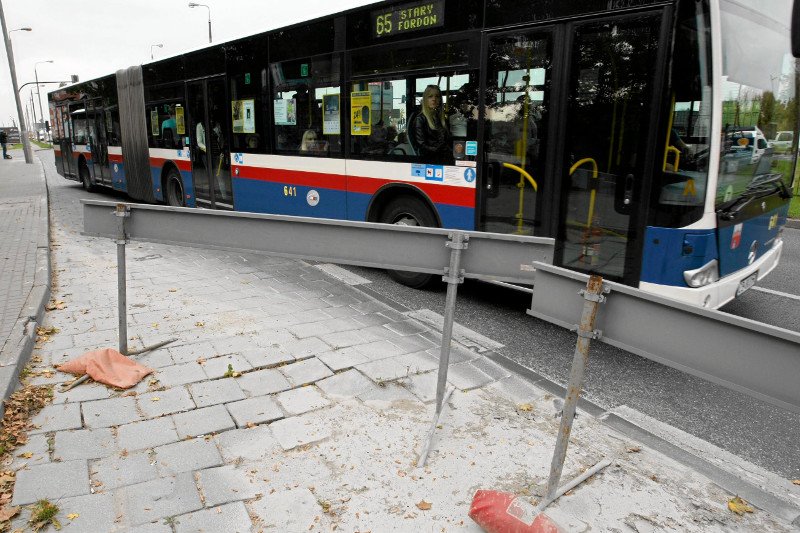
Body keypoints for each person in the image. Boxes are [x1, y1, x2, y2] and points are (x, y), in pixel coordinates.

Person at [412, 85, 451, 161]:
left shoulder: (440, 119)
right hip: (430, 159)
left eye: (437, 96)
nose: (434, 99)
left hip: (444, 157)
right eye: (430, 96)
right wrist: (441, 150)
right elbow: (421, 144)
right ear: (425, 100)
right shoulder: (420, 119)